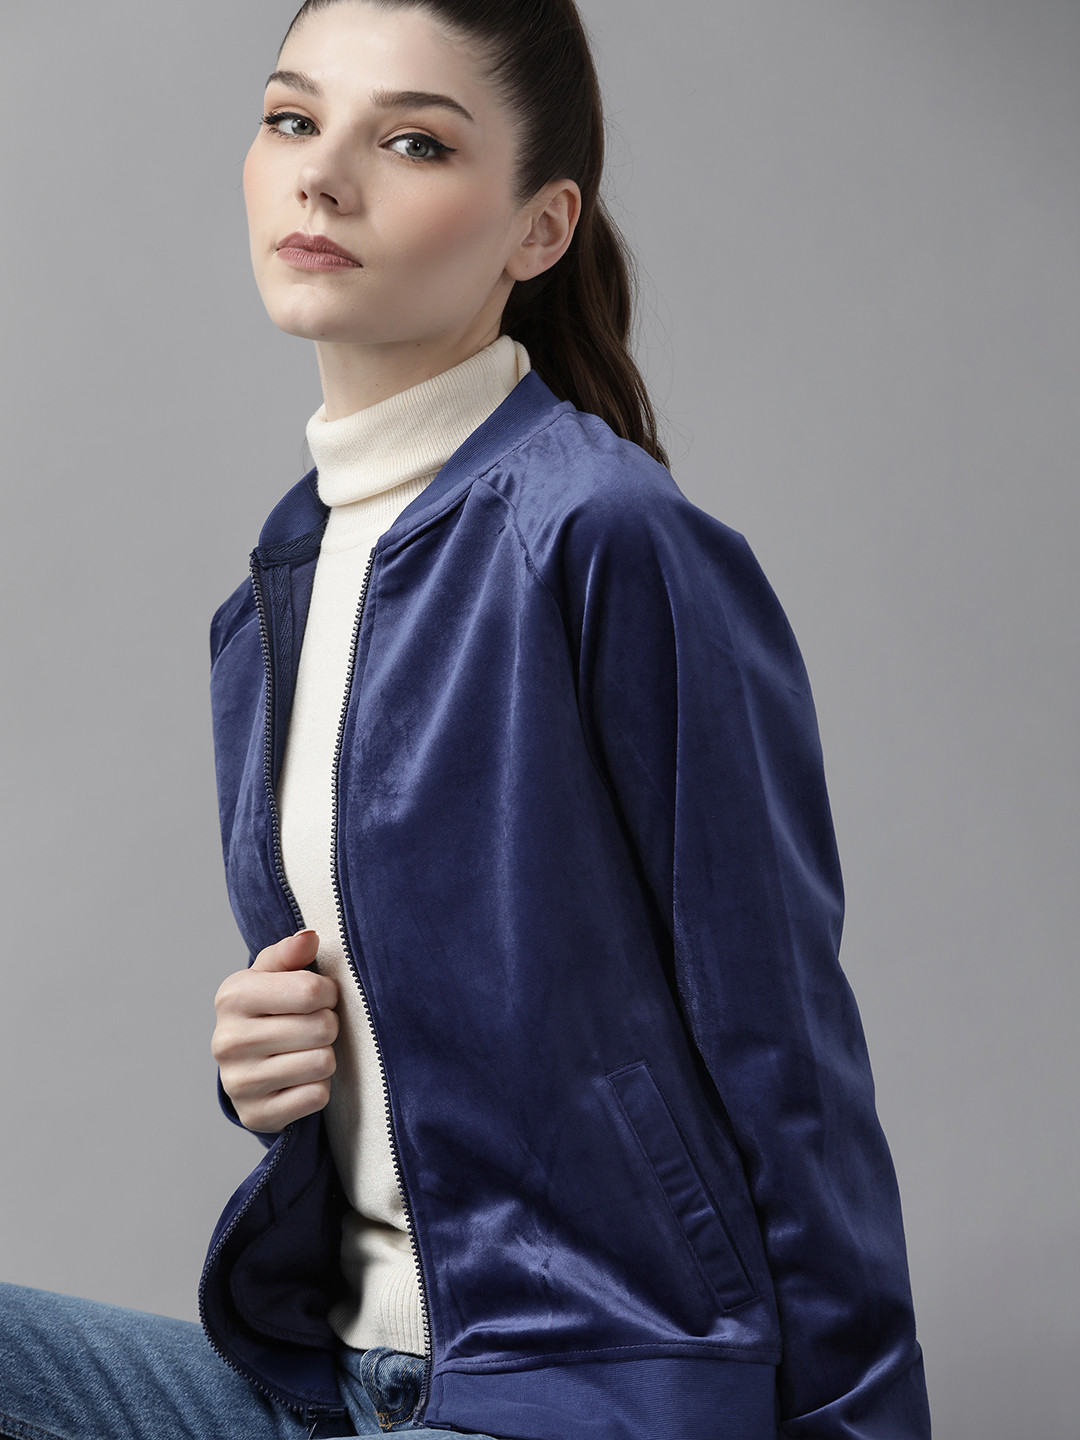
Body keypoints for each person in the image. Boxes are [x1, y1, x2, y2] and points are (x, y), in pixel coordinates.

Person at [0, 1, 933, 1437]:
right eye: (293, 119)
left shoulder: (602, 534)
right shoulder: (279, 595)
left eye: (415, 143)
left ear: (538, 230)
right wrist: (270, 1065)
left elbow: (788, 1052)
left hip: (582, 1384)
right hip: (333, 1379)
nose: (323, 176)